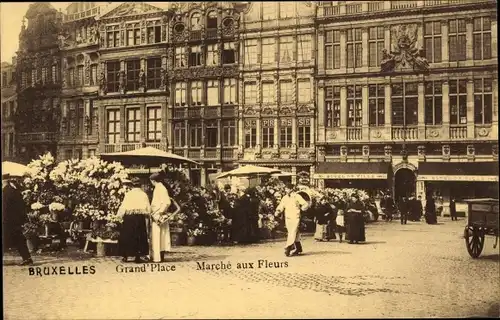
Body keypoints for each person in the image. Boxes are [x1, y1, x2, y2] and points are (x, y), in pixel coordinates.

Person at [117, 177, 151, 263]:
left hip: (129, 218)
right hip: (139, 218)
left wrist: (119, 216)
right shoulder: (144, 195)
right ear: (140, 185)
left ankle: (125, 256)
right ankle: (138, 256)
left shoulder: (129, 194)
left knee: (127, 236)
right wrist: (148, 215)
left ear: (132, 185)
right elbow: (148, 208)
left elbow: (123, 206)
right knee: (139, 236)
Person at [2, 174, 33, 265]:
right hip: (14, 220)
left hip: (8, 220)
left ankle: (27, 258)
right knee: (18, 239)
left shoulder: (6, 192)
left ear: (3, 182)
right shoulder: (14, 191)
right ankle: (27, 258)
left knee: (11, 239)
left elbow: (5, 208)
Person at [150, 172, 180, 263]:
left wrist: (160, 212)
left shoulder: (160, 188)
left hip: (158, 215)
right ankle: (159, 256)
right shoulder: (160, 187)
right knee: (161, 236)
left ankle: (158, 257)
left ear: (153, 180)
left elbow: (167, 202)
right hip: (159, 214)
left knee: (157, 236)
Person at [275, 184, 309, 256]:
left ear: (291, 189)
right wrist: (278, 211)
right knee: (293, 232)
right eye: (286, 189)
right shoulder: (285, 197)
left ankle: (288, 248)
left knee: (292, 232)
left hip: (295, 217)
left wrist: (302, 209)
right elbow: (281, 205)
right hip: (288, 217)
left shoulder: (297, 196)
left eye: (287, 189)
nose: (286, 190)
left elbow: (305, 204)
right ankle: (298, 248)